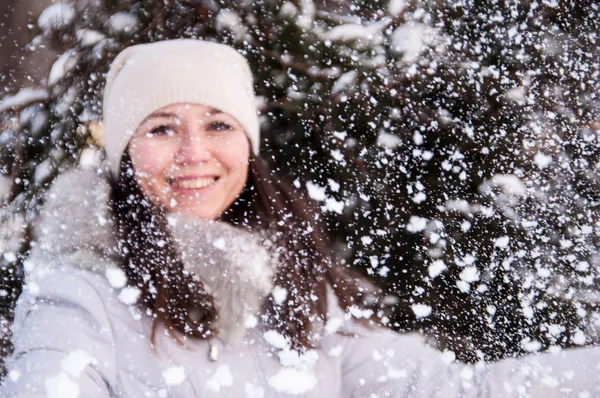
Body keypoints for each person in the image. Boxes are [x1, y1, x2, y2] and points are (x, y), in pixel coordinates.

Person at [2, 39, 600, 398]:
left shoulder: (293, 287)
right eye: (161, 128)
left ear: (247, 145)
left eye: (218, 124)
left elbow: (444, 391)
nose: (194, 154)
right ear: (124, 153)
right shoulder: (76, 295)